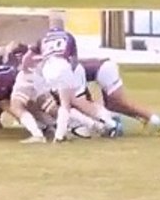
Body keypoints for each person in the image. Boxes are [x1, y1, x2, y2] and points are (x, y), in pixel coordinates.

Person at [38, 12, 119, 142]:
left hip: (48, 70)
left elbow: (42, 57)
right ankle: (109, 123)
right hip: (63, 66)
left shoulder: (44, 39)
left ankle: (64, 134)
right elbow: (74, 60)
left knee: (63, 103)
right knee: (69, 103)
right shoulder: (68, 36)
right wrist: (73, 79)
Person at [78, 57, 160, 132]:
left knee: (120, 103)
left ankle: (155, 120)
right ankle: (147, 119)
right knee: (113, 105)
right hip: (105, 68)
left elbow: (83, 96)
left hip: (104, 71)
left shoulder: (68, 73)